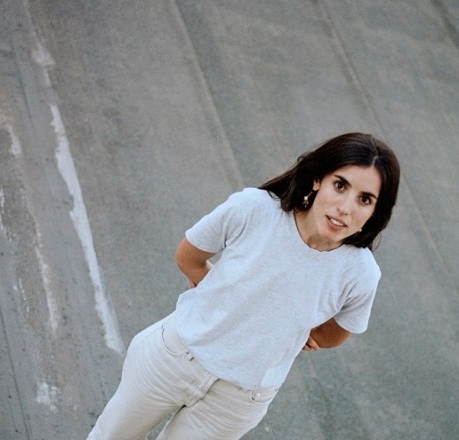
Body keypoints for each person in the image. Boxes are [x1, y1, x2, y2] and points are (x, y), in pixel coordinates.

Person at [88, 132, 400, 439]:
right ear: (318, 179)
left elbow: (335, 334)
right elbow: (189, 257)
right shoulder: (255, 209)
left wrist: (288, 327)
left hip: (237, 402)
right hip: (175, 357)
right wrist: (229, 296)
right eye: (340, 185)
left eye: (365, 199)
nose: (345, 207)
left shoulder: (361, 274)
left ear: (376, 211)